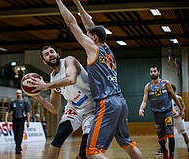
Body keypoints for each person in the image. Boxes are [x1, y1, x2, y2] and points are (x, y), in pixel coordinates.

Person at [54, 0, 143, 159]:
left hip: (107, 103)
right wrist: (78, 3)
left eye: (88, 36)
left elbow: (71, 22)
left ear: (94, 38)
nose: (85, 37)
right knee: (127, 144)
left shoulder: (92, 48)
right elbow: (90, 24)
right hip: (121, 101)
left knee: (92, 152)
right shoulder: (106, 48)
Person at [30, 45, 95, 159]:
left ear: (57, 54)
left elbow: (71, 79)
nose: (50, 55)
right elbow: (54, 108)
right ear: (44, 62)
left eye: (52, 52)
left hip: (93, 109)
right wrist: (38, 97)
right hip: (74, 109)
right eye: (47, 54)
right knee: (59, 136)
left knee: (85, 153)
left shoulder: (69, 61)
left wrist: (46, 86)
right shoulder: (53, 78)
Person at [139, 65, 185, 159]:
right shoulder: (148, 86)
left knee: (170, 134)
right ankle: (164, 150)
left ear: (158, 72)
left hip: (167, 112)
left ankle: (171, 156)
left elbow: (173, 96)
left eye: (155, 71)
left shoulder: (165, 83)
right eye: (151, 71)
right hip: (157, 114)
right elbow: (144, 100)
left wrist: (181, 109)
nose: (153, 73)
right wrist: (141, 109)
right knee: (160, 137)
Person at [5, 89, 30, 155]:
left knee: (20, 134)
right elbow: (8, 111)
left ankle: (17, 148)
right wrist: (6, 119)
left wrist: (28, 121)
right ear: (16, 94)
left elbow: (28, 112)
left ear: (21, 94)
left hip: (21, 120)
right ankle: (18, 146)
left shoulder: (25, 103)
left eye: (19, 93)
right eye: (17, 93)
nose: (18, 94)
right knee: (15, 134)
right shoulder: (13, 102)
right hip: (15, 120)